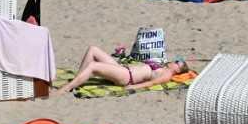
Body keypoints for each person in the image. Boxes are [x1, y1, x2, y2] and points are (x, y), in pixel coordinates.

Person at [57, 48, 191, 93]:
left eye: (178, 62)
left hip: (127, 77)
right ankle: (78, 79)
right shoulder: (163, 66)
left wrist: (133, 87)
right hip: (123, 69)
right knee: (93, 49)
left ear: (178, 70)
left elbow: (151, 84)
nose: (175, 60)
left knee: (93, 66)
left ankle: (67, 88)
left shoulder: (167, 74)